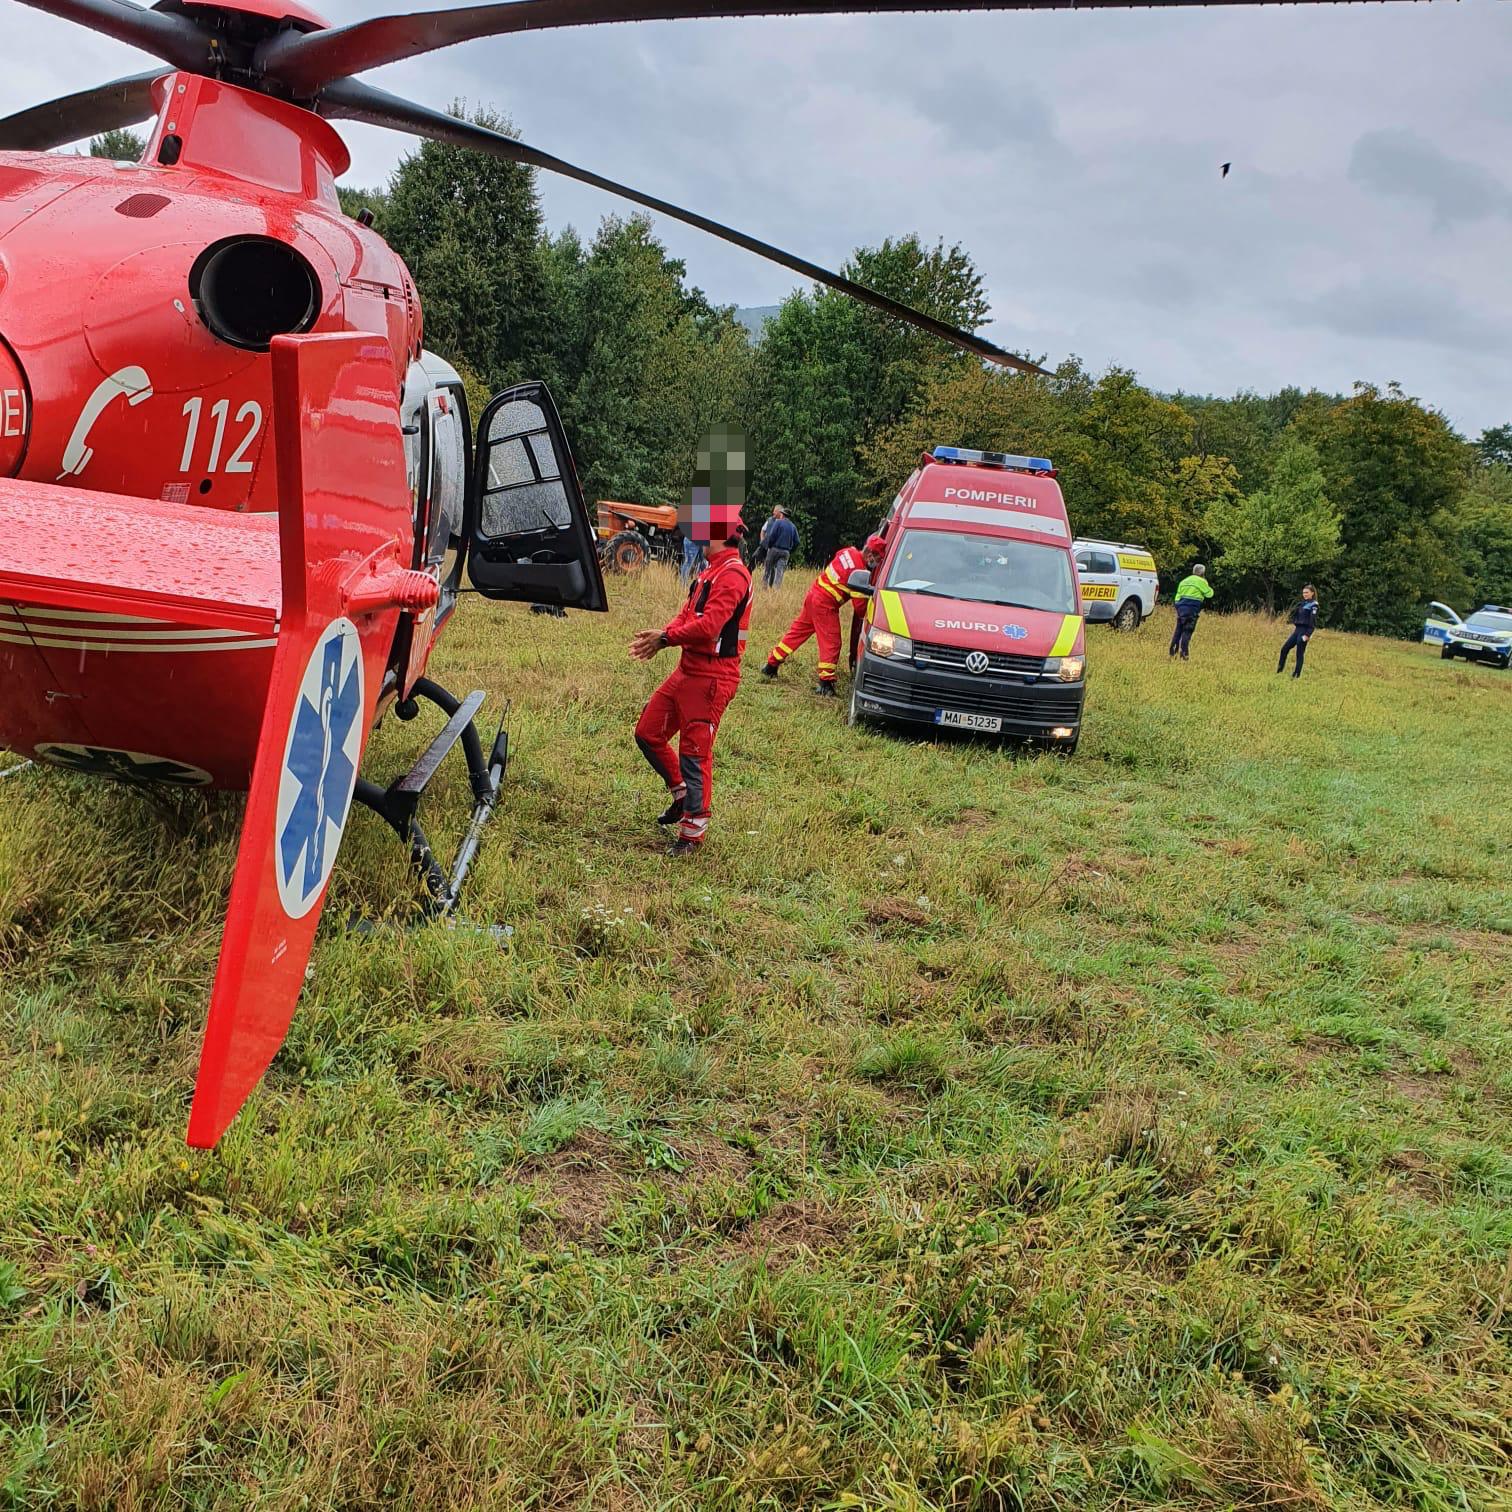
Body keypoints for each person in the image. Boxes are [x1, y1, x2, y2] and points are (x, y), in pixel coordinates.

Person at [630, 530, 754, 856]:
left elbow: (710, 626)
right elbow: (688, 614)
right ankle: (682, 795)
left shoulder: (733, 575)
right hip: (688, 669)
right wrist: (665, 635)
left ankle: (692, 835)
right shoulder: (710, 570)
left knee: (695, 755)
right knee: (648, 731)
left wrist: (666, 638)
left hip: (712, 676)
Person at [761, 535, 884, 697]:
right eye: (879, 559)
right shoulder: (859, 571)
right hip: (825, 604)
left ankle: (771, 665)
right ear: (870, 555)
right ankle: (825, 683)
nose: (878, 563)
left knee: (797, 632)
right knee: (832, 641)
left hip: (814, 593)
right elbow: (860, 609)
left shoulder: (848, 551)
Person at [1168, 563, 1214, 660]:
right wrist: (1206, 583)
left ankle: (1172, 653)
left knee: (1178, 630)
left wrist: (1179, 607)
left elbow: (1177, 597)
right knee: (1187, 630)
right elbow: (1209, 594)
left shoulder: (1184, 581)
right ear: (1202, 573)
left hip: (1181, 607)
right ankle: (1184, 655)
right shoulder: (1202, 581)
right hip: (1192, 608)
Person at [1276, 585, 1319, 678]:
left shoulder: (1314, 605)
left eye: (1307, 592)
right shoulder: (1302, 603)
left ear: (1312, 593)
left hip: (1304, 631)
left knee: (1299, 653)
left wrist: (1308, 635)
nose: (1305, 594)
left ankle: (1296, 674)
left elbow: (1313, 622)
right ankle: (1279, 670)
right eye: (1304, 592)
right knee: (1284, 649)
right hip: (1297, 630)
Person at [759, 507, 800, 588]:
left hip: (774, 549)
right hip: (786, 552)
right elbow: (797, 542)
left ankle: (764, 588)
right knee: (780, 572)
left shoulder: (778, 523)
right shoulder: (793, 527)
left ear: (782, 515)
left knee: (768, 569)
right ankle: (776, 591)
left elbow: (772, 535)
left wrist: (769, 546)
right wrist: (790, 550)